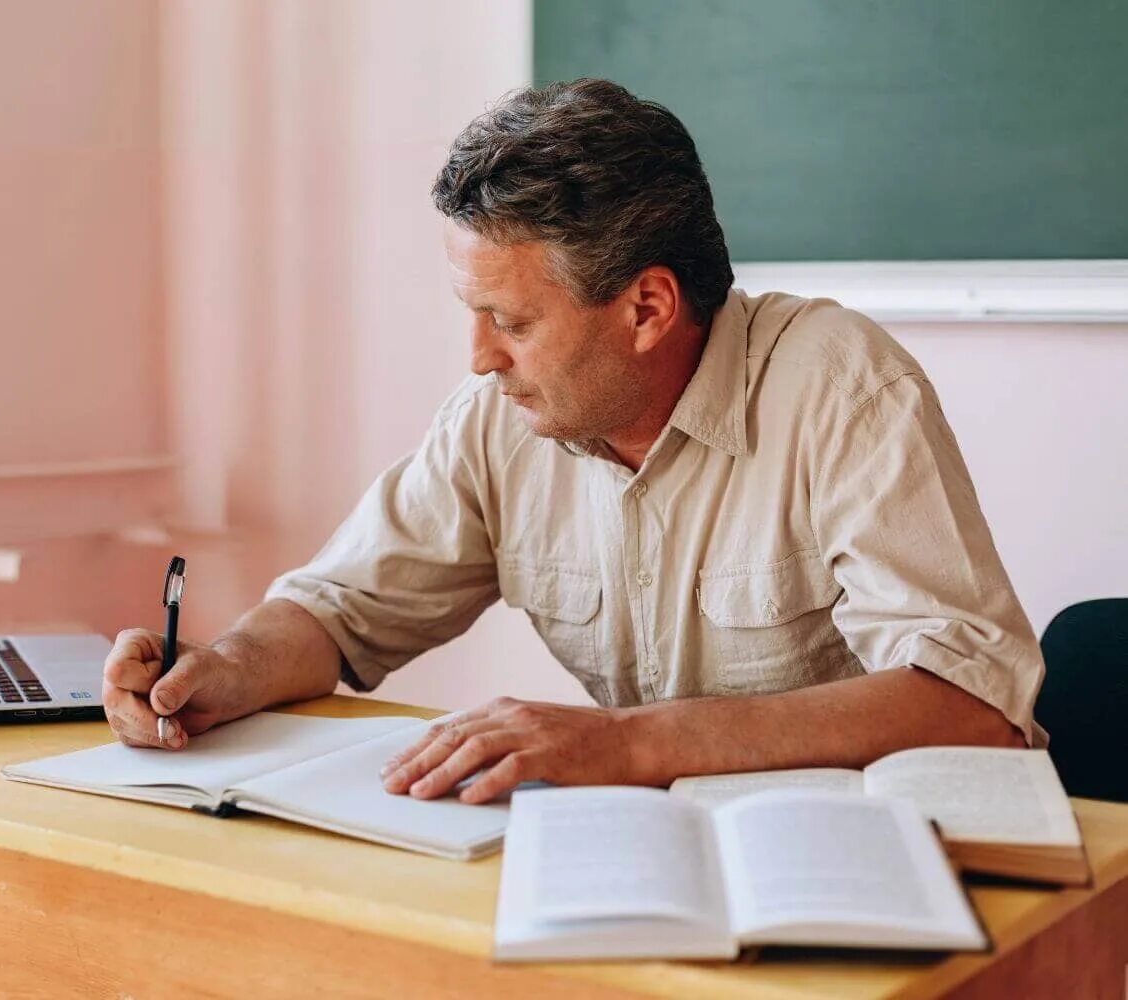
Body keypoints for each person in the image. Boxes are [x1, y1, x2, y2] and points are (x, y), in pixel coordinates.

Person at [101, 78, 1041, 805]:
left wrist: (632, 742)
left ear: (647, 307)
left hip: (858, 860)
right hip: (647, 855)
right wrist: (221, 671)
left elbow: (971, 706)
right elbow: (341, 610)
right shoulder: (501, 420)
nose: (478, 360)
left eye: (509, 322)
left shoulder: (842, 387)